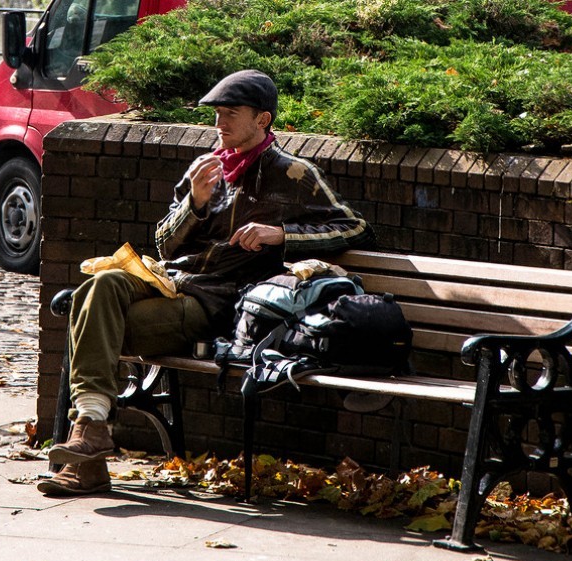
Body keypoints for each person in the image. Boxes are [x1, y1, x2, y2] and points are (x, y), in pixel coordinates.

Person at [37, 69, 376, 496]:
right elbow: (163, 243)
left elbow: (356, 229)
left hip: (216, 300)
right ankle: (91, 438)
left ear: (262, 120)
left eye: (231, 114)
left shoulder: (293, 174)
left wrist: (283, 235)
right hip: (169, 280)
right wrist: (194, 203)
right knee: (97, 288)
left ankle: (88, 453)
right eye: (217, 115)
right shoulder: (206, 168)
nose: (220, 125)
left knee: (89, 318)